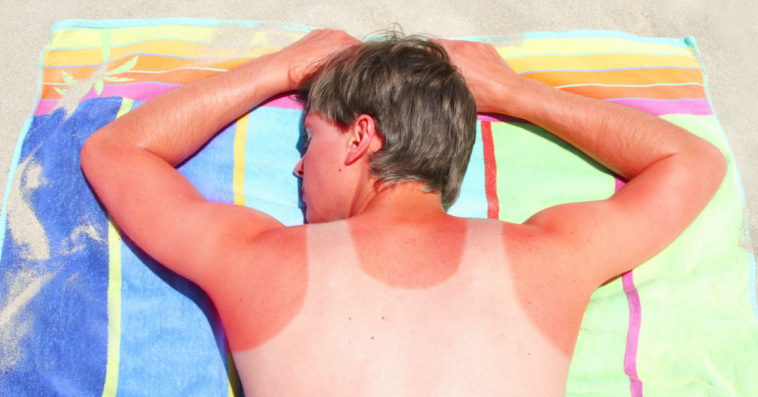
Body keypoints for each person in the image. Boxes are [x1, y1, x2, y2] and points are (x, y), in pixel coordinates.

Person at [80, 29, 726, 396]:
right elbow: (691, 162)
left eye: (310, 140)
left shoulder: (260, 260)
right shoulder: (551, 256)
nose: (299, 167)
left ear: (360, 137)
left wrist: (276, 68)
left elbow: (116, 150)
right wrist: (517, 93)